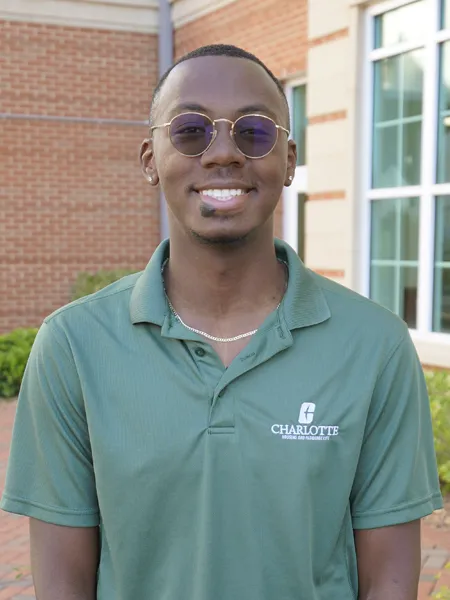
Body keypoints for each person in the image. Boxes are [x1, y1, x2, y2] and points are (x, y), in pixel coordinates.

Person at [0, 44, 443, 600]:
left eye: (254, 132)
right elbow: (63, 583)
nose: (224, 152)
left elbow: (391, 579)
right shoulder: (72, 347)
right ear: (149, 159)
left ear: (289, 161)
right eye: (191, 130)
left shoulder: (374, 346)